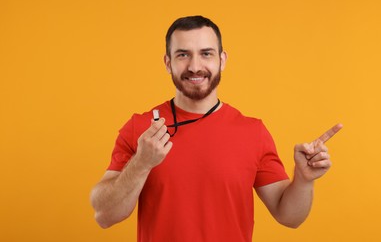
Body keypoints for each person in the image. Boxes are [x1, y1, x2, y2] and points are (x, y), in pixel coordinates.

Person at [90, 15, 343, 242]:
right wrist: (142, 162)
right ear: (168, 63)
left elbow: (290, 217)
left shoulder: (252, 132)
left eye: (206, 53)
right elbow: (105, 215)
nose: (195, 66)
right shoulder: (140, 128)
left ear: (222, 60)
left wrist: (304, 180)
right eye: (183, 54)